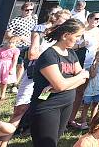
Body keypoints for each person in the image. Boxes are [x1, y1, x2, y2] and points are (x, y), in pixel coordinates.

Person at [28, 18, 90, 147]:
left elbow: (83, 78)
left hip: (66, 104)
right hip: (48, 106)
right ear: (66, 35)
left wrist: (62, 85)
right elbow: (62, 84)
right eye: (77, 36)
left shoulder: (71, 52)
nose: (79, 39)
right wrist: (64, 84)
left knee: (54, 142)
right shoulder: (49, 55)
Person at [75, 47, 99, 129]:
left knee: (95, 104)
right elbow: (93, 75)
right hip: (90, 90)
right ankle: (83, 121)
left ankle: (93, 120)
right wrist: (96, 65)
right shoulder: (92, 66)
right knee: (86, 105)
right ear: (96, 56)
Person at [6, 2, 37, 85]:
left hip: (27, 46)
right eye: (27, 10)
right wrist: (19, 37)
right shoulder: (16, 20)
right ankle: (4, 81)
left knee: (21, 64)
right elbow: (7, 34)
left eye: (31, 10)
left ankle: (15, 84)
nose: (29, 12)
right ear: (22, 10)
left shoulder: (33, 21)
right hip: (16, 45)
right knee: (10, 64)